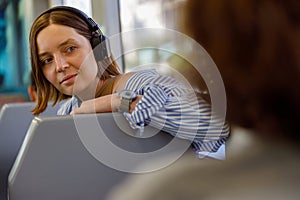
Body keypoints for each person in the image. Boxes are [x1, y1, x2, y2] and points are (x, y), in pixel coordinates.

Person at [106, 1, 300, 199]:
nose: (70, 65)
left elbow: (210, 125)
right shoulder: (73, 107)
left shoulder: (174, 190)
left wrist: (118, 102)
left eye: (72, 48)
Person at [29, 6, 229, 156]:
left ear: (97, 47)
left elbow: (217, 128)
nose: (59, 65)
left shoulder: (140, 83)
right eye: (47, 60)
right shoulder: (66, 112)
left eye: (70, 48)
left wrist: (120, 103)